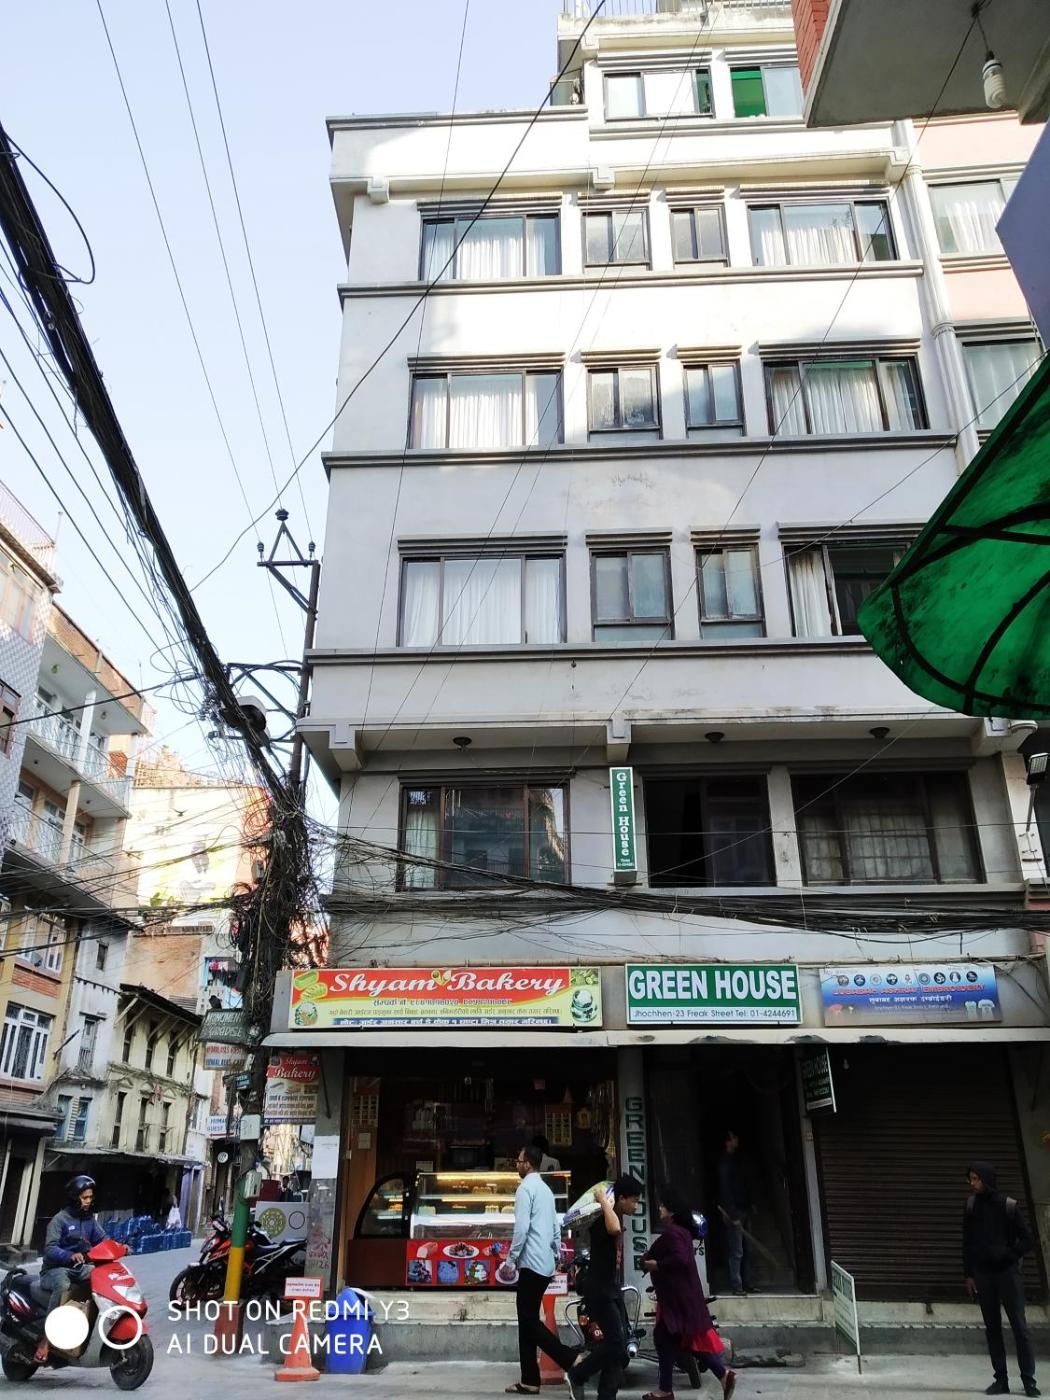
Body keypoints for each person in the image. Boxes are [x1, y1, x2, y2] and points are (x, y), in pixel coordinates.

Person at [641, 1188, 736, 1400]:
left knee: (666, 1339)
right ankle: (722, 1375)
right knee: (681, 1341)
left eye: (663, 1205)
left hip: (678, 1301)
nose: (660, 1208)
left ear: (672, 1210)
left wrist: (657, 1265)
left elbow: (680, 1259)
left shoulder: (674, 1233)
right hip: (680, 1299)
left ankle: (666, 1390)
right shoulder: (680, 1232)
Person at [502, 1143, 581, 1396]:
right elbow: (556, 1225)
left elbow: (522, 1228)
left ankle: (569, 1358)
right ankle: (529, 1380)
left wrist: (510, 1260)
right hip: (545, 1262)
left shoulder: (525, 1189)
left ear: (528, 1164)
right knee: (527, 1320)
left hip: (531, 1263)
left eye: (518, 1161)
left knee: (528, 1321)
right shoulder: (546, 1189)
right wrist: (556, 1252)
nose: (517, 1165)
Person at [565, 1174, 644, 1400]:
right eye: (634, 1201)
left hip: (612, 1288)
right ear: (621, 1199)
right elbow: (615, 1229)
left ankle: (607, 1395)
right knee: (616, 1343)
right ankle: (578, 1374)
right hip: (599, 1290)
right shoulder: (604, 1219)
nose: (636, 1206)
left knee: (619, 1345)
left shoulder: (614, 1215)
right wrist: (603, 1201)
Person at [964, 1161, 1039, 1397]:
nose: (972, 1183)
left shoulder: (1008, 1205)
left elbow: (1028, 1240)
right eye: (970, 1179)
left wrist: (1007, 1255)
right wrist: (969, 1274)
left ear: (987, 1179)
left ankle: (1029, 1381)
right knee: (992, 1328)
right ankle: (1001, 1380)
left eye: (976, 1179)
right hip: (983, 1275)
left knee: (1019, 1327)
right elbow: (967, 1242)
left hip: (1007, 1274)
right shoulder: (971, 1205)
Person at [36, 1174, 105, 1362]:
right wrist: (69, 1255)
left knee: (101, 1277)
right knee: (63, 1286)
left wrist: (120, 1247)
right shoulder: (60, 1220)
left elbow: (102, 1240)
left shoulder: (89, 1220)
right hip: (55, 1270)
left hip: (79, 1268)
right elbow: (50, 1248)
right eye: (84, 1197)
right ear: (75, 1198)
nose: (88, 1201)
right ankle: (46, 1340)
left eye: (90, 1197)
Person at [717, 1129, 752, 1296]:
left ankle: (747, 1283)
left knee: (746, 1250)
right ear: (728, 1142)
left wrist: (750, 1205)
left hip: (743, 1209)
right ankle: (737, 1285)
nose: (736, 1140)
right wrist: (732, 1213)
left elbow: (743, 1185)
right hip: (734, 1211)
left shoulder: (737, 1160)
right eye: (733, 1137)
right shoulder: (725, 1163)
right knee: (736, 1251)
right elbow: (726, 1190)